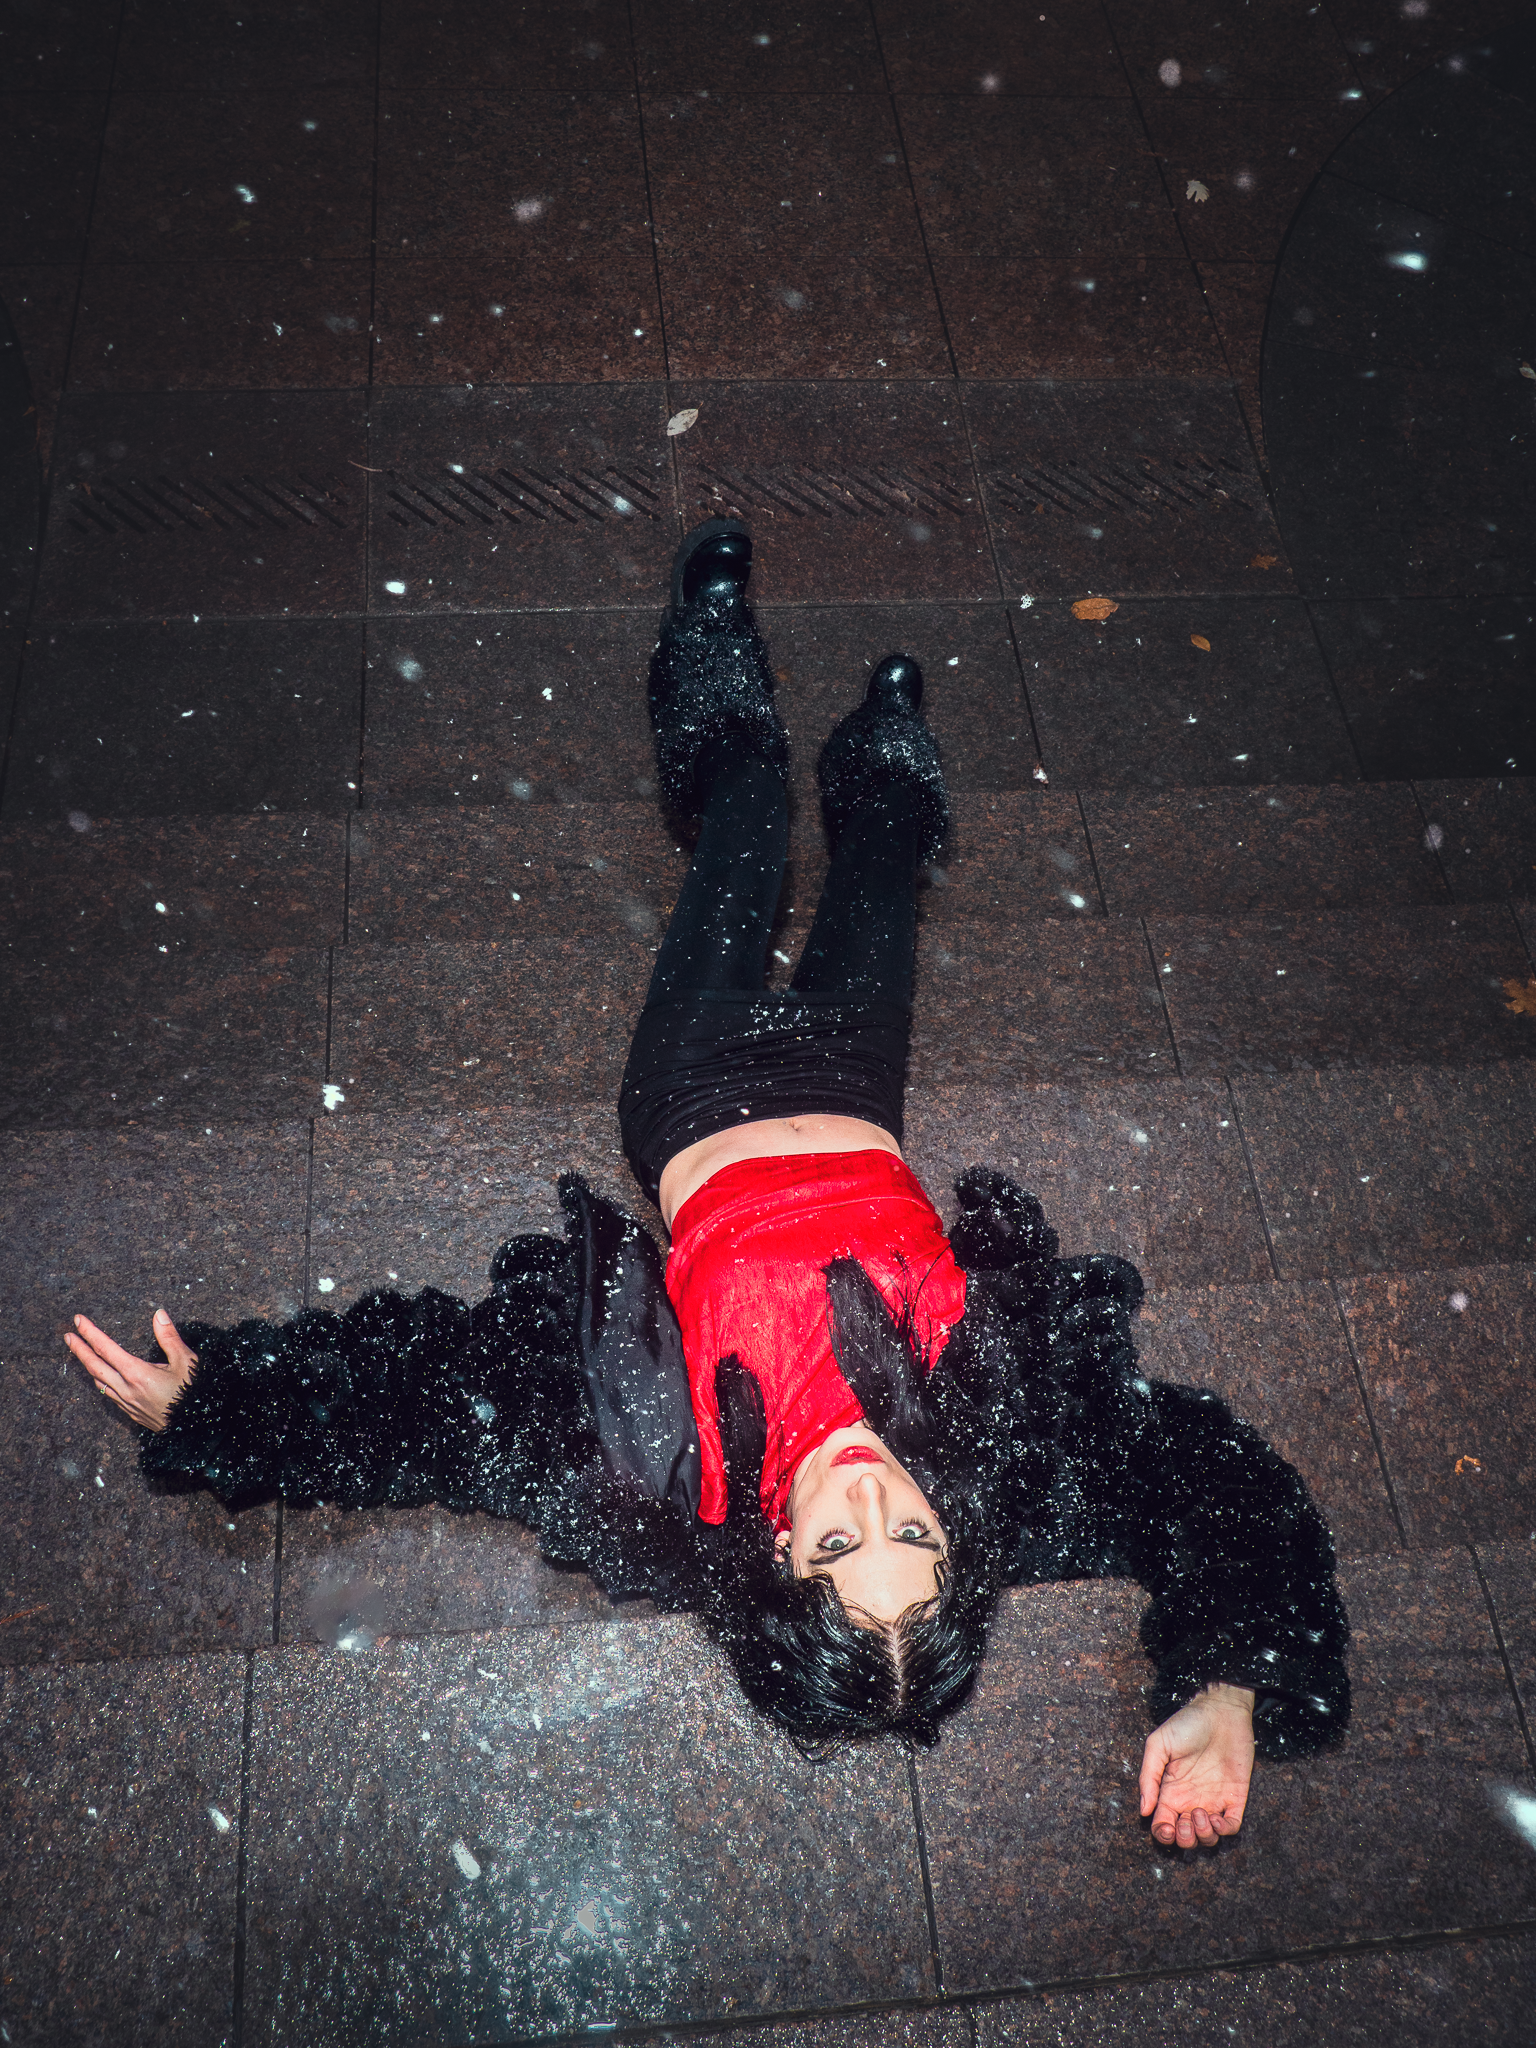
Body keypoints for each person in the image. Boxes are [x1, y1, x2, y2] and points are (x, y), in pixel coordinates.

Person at [68, 519, 1350, 1848]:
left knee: (744, 827)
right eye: (912, 1543)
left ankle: (710, 648)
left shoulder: (662, 1464)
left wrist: (229, 1403)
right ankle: (883, 754)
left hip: (695, 1089)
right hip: (857, 1086)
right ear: (955, 1546)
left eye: (837, 1554)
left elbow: (437, 1413)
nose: (869, 1506)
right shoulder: (1003, 1451)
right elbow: (1220, 1481)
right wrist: (1235, 1683)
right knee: (876, 878)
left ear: (776, 1567)